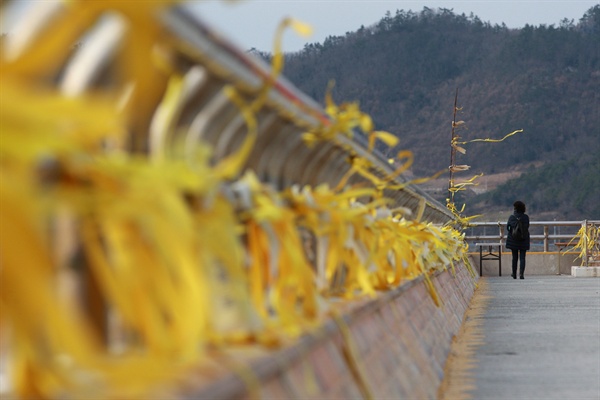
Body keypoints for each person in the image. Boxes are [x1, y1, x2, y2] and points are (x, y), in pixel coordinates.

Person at [506, 200, 530, 279]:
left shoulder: (511, 217)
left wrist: (513, 231)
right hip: (524, 239)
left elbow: (508, 228)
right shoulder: (525, 217)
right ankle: (521, 274)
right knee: (522, 257)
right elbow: (527, 227)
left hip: (513, 240)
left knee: (514, 257)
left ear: (515, 208)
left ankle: (514, 274)